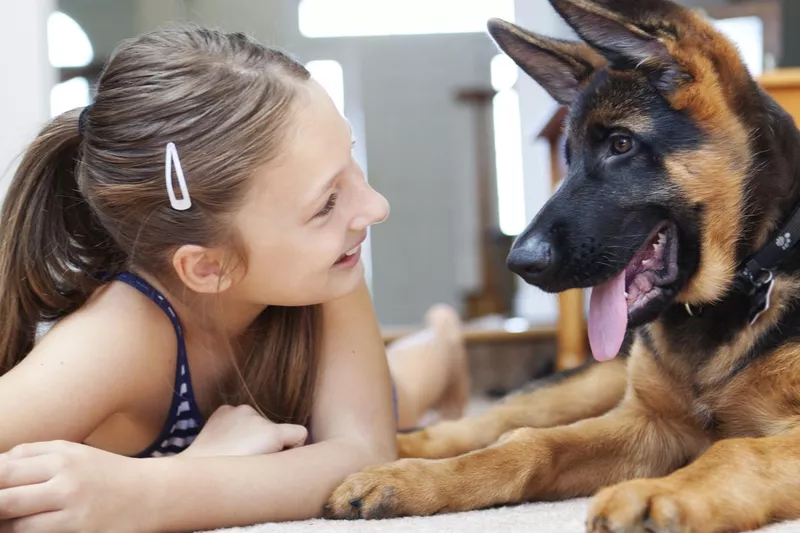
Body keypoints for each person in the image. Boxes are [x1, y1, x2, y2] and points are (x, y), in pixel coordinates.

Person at [0, 26, 469, 531]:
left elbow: (366, 456)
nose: (376, 207)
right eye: (326, 202)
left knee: (403, 391)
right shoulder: (110, 341)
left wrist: (154, 490)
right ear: (208, 266)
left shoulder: (332, 263)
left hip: (313, 398)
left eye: (350, 159)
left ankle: (442, 345)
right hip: (290, 414)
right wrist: (196, 467)